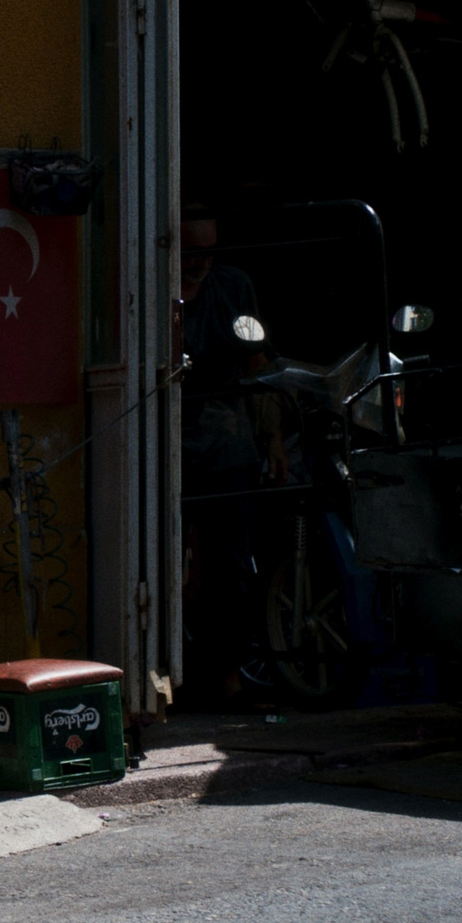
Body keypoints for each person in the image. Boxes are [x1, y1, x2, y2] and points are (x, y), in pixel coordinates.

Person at [177, 211, 284, 700]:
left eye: (208, 251)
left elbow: (256, 363)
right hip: (171, 445)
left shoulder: (233, 287)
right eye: (190, 251)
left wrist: (273, 437)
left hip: (228, 441)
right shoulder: (155, 288)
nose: (200, 262)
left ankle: (227, 671)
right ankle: (175, 673)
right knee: (175, 567)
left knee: (233, 568)